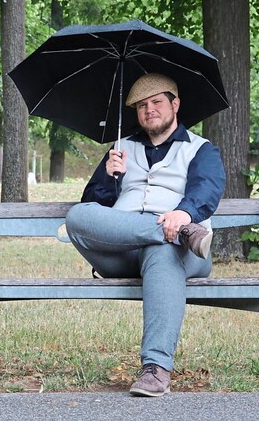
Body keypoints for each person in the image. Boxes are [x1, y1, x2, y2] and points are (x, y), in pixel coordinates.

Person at [65, 73, 226, 397]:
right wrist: (108, 179)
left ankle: (155, 369)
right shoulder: (121, 150)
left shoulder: (200, 149)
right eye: (141, 105)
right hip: (122, 249)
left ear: (174, 104)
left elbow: (206, 189)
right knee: (76, 216)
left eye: (156, 102)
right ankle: (178, 233)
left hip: (182, 255)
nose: (148, 110)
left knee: (163, 252)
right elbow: (93, 209)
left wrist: (183, 215)